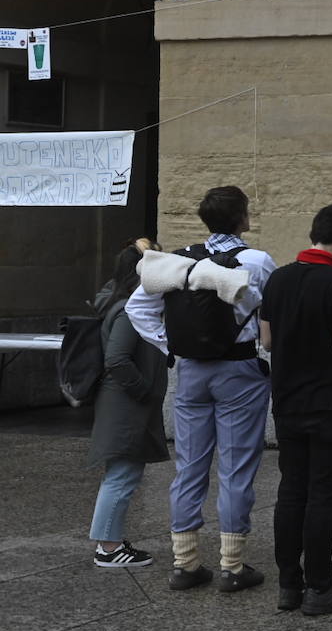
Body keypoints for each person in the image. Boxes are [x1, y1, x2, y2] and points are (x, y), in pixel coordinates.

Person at [126, 186, 276, 592]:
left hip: (191, 370)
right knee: (236, 468)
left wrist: (169, 346)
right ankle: (232, 565)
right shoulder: (257, 261)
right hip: (240, 370)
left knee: (189, 467)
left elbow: (136, 308)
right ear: (243, 218)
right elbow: (271, 312)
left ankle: (186, 563)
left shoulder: (178, 261)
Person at [258, 204, 332, 615]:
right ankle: (320, 586)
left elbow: (267, 341)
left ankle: (289, 584)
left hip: (287, 402)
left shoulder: (279, 279)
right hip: (329, 406)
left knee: (291, 491)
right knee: (323, 495)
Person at [88, 243, 170, 568]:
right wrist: (144, 391)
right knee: (122, 475)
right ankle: (108, 548)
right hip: (126, 404)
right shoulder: (127, 309)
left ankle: (110, 542)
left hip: (123, 402)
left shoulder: (121, 301)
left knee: (121, 473)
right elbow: (118, 359)